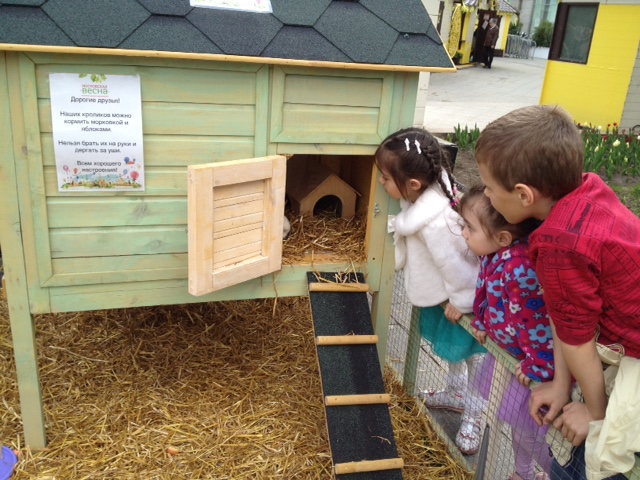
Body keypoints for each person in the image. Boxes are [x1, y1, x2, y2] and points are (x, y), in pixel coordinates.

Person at [474, 104, 640, 479]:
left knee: (605, 455)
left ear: (523, 195)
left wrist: (593, 414)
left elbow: (578, 343)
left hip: (633, 349)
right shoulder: (587, 189)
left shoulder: (559, 246)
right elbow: (565, 319)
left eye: (490, 187)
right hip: (620, 332)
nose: (486, 194)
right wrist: (561, 384)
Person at [376, 127, 486, 455]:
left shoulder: (437, 222)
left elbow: (460, 267)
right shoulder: (422, 202)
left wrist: (463, 302)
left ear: (413, 184)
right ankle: (455, 394)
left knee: (474, 359)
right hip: (444, 296)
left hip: (462, 302)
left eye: (385, 177)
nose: (380, 182)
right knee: (456, 355)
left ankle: (474, 415)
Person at [459, 184, 552, 480]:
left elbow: (532, 322)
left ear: (502, 237)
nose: (464, 233)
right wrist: (482, 321)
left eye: (470, 228)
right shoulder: (495, 255)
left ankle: (559, 475)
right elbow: (488, 294)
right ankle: (523, 474)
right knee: (518, 425)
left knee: (528, 433)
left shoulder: (518, 268)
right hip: (513, 356)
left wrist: (537, 364)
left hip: (534, 366)